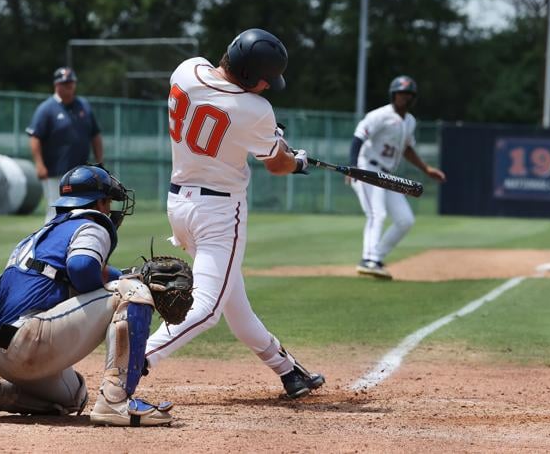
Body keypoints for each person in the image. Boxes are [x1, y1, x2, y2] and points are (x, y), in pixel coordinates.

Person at [144, 28, 325, 399]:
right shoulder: (255, 110)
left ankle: (287, 369)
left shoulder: (187, 69)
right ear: (248, 76)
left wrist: (272, 139)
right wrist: (296, 161)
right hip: (219, 212)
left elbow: (225, 114)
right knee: (208, 308)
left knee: (233, 301)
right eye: (265, 80)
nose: (268, 87)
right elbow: (277, 164)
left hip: (179, 204)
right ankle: (136, 357)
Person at [0, 165, 174, 426]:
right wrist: (129, 281)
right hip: (28, 339)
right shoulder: (92, 224)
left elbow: (72, 273)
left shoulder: (45, 235)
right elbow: (81, 267)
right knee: (134, 291)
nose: (110, 208)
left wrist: (121, 274)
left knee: (73, 396)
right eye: (109, 201)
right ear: (99, 202)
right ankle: (116, 402)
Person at [349, 75, 446, 280]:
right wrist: (353, 167)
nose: (404, 98)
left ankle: (377, 257)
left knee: (405, 220)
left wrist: (426, 169)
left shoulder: (409, 121)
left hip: (387, 174)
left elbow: (407, 149)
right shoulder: (380, 115)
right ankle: (368, 260)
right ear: (393, 95)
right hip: (367, 168)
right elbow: (359, 136)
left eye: (408, 94)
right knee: (377, 213)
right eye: (401, 94)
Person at [27, 67, 104, 223]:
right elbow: (35, 138)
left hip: (82, 173)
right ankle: (49, 244)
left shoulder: (83, 106)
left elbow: (95, 135)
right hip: (56, 172)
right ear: (57, 85)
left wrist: (99, 161)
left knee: (80, 211)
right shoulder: (47, 108)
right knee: (55, 212)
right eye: (65, 83)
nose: (69, 86)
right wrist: (39, 164)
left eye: (71, 82)